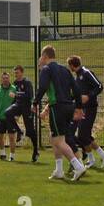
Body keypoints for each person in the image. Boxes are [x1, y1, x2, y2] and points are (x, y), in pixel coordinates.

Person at [36, 45, 88, 182]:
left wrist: (35, 103)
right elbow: (76, 89)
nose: (40, 59)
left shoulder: (46, 69)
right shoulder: (65, 70)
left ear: (45, 56)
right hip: (68, 107)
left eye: (41, 57)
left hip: (57, 107)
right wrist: (78, 107)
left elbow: (42, 87)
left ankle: (78, 166)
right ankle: (59, 170)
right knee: (55, 138)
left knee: (58, 141)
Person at [68, 55, 104, 169]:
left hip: (91, 108)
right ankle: (101, 156)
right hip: (83, 109)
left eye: (69, 65)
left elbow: (99, 86)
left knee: (83, 135)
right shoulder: (77, 77)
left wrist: (89, 96)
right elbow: (76, 95)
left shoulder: (86, 73)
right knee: (84, 135)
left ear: (72, 65)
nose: (69, 68)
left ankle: (96, 157)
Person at [6, 64, 40, 162]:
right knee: (8, 113)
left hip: (26, 107)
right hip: (18, 105)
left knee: (30, 131)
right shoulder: (15, 83)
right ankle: (19, 132)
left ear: (22, 72)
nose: (15, 74)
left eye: (17, 73)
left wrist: (16, 94)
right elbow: (14, 97)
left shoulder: (27, 82)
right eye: (15, 73)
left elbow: (29, 96)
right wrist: (12, 105)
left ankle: (36, 150)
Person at [0, 71, 18, 161]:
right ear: (1, 79)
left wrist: (17, 114)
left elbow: (18, 103)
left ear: (9, 79)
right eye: (3, 78)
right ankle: (2, 154)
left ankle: (12, 156)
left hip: (11, 118)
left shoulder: (14, 89)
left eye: (7, 78)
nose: (5, 80)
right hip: (0, 117)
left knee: (12, 137)